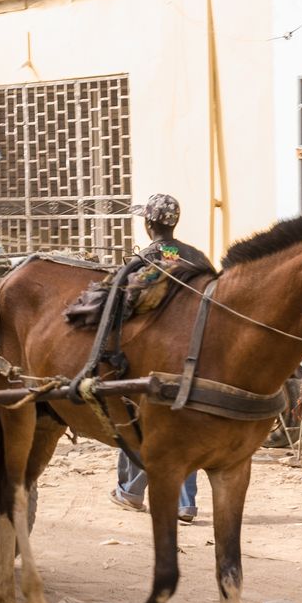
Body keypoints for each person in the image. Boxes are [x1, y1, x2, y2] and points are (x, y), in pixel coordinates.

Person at [110, 193, 211, 524]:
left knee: (140, 424)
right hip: (195, 354)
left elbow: (122, 309)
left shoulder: (147, 259)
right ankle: (186, 503)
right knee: (186, 426)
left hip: (154, 356)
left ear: (149, 223)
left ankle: (131, 491)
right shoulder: (197, 257)